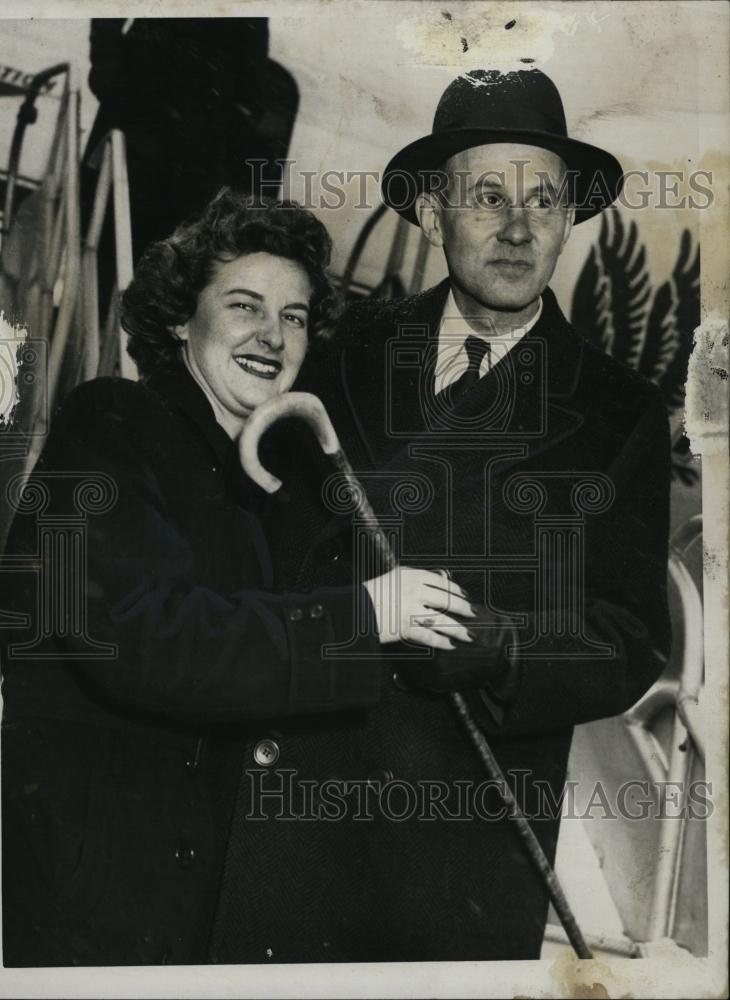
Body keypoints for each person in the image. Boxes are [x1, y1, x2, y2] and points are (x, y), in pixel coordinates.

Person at [0, 189, 471, 966]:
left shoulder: (264, 480)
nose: (272, 335)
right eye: (245, 305)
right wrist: (363, 615)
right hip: (85, 900)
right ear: (181, 317)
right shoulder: (110, 424)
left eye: (293, 316)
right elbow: (150, 642)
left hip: (198, 905)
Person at [266, 68, 671, 961]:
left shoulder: (620, 414)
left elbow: (633, 634)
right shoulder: (339, 363)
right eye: (487, 196)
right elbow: (267, 561)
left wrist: (513, 649)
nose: (518, 229)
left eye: (544, 202)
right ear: (432, 212)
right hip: (300, 812)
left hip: (468, 846)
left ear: (570, 218)